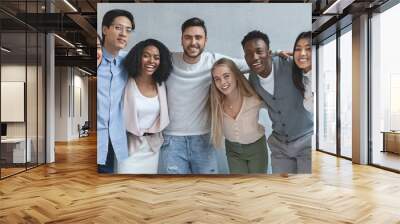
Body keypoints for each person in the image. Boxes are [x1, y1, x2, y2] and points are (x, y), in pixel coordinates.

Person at [157, 17, 249, 174]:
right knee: (174, 192)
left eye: (198, 37)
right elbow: (140, 59)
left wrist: (275, 54)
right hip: (172, 141)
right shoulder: (168, 61)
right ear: (181, 40)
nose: (193, 42)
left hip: (204, 140)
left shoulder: (214, 61)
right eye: (188, 37)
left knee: (207, 192)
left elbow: (250, 64)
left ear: (205, 40)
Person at [241, 30, 313, 174]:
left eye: (259, 51)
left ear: (269, 51)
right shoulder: (253, 79)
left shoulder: (291, 65)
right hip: (280, 147)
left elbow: (310, 71)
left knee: (306, 190)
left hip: (306, 141)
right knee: (281, 190)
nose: (254, 57)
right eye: (249, 53)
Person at [118, 39, 172, 174]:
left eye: (156, 57)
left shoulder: (161, 85)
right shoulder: (125, 82)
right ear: (138, 57)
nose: (151, 61)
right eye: (146, 55)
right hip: (129, 146)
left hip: (152, 147)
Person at [209, 58, 268, 174]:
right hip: (233, 151)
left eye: (226, 76)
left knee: (257, 185)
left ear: (235, 75)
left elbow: (277, 106)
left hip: (257, 149)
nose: (222, 82)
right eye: (217, 79)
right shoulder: (217, 104)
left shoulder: (253, 98)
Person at [97, 9, 135, 173]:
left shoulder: (129, 62)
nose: (124, 34)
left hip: (116, 140)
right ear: (105, 29)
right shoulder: (96, 60)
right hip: (96, 140)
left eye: (128, 30)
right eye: (118, 28)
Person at [292, 31, 313, 114]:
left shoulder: (321, 76)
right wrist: (278, 52)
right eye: (298, 49)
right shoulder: (303, 77)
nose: (302, 53)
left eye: (308, 48)